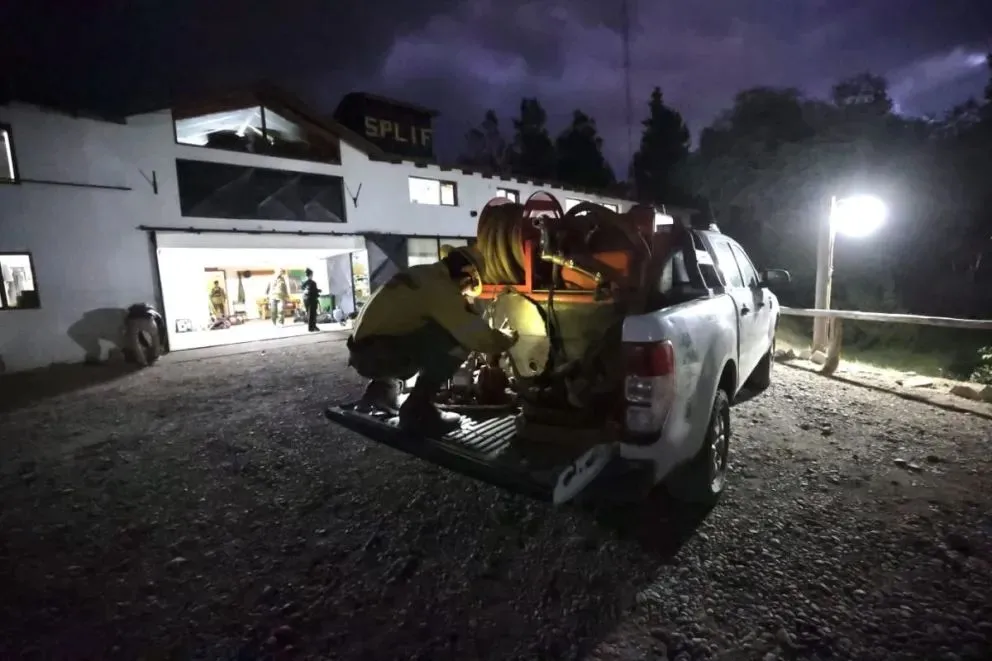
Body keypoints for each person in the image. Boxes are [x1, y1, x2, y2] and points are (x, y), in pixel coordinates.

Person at [347, 245, 518, 433]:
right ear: (467, 273)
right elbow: (477, 337)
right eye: (470, 286)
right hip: (379, 357)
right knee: (458, 338)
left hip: (361, 352)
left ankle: (381, 391)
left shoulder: (422, 274)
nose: (465, 292)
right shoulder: (441, 288)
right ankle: (418, 408)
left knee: (422, 327)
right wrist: (507, 338)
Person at [124, 303, 166, 367]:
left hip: (132, 322)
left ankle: (143, 361)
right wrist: (162, 342)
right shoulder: (152, 311)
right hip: (148, 321)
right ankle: (156, 356)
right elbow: (161, 323)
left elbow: (126, 321)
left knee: (135, 342)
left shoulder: (131, 312)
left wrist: (128, 329)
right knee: (155, 337)